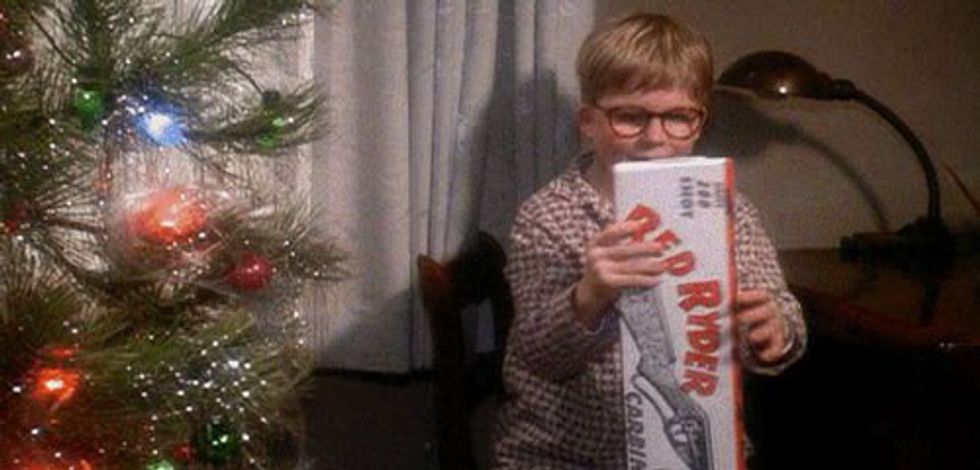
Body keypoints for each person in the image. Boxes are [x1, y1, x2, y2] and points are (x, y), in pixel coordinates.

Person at [491, 12, 807, 469]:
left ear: (699, 123)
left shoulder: (729, 211)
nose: (655, 138)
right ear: (589, 122)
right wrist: (589, 295)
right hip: (567, 455)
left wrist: (774, 331)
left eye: (677, 117)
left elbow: (780, 312)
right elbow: (539, 355)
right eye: (629, 116)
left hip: (696, 450)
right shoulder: (548, 217)